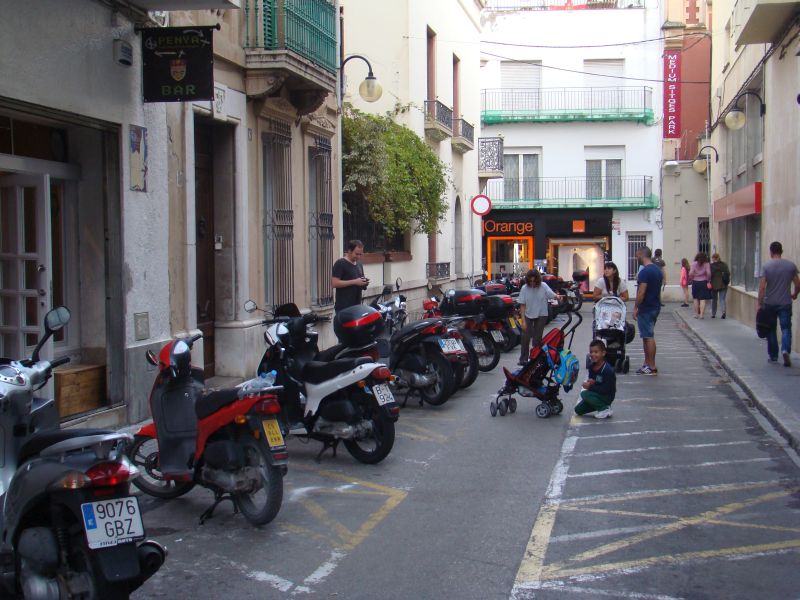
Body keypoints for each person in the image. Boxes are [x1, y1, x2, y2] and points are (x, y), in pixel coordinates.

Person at [758, 241, 800, 367]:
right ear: (781, 251)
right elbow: (798, 284)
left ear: (771, 252)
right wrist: (794, 294)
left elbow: (762, 288)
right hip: (785, 302)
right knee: (786, 328)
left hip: (770, 302)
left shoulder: (766, 266)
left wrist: (759, 303)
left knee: (771, 329)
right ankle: (785, 349)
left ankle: (774, 356)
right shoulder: (790, 266)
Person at [517, 269, 557, 365]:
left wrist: (558, 297)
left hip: (541, 314)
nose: (532, 283)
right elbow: (522, 305)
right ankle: (523, 359)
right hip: (528, 313)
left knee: (537, 338)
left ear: (538, 280)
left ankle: (535, 357)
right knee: (525, 337)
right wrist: (523, 321)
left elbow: (551, 294)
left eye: (534, 281)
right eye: (530, 281)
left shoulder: (543, 286)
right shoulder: (524, 288)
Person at [634, 246, 662, 375]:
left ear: (641, 254)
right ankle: (647, 364)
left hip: (646, 307)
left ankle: (651, 366)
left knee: (648, 337)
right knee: (647, 336)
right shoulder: (657, 270)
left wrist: (636, 307)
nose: (636, 258)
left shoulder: (644, 272)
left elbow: (641, 291)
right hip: (655, 306)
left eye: (637, 255)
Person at [574, 339, 616, 419]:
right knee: (578, 410)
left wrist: (590, 386)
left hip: (607, 396)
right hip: (597, 394)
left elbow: (606, 389)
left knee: (584, 393)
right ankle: (603, 406)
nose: (593, 354)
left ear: (603, 353)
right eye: (591, 352)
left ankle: (604, 409)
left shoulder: (607, 370)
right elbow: (594, 381)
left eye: (596, 352)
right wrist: (591, 382)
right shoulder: (591, 367)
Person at [331, 240, 369, 314]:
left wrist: (364, 282)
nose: (358, 256)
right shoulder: (340, 263)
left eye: (360, 254)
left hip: (357, 307)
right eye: (356, 254)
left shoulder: (359, 264)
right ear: (349, 251)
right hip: (344, 308)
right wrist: (355, 282)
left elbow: (359, 280)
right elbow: (334, 283)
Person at [687, 252, 712, 319]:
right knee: (702, 299)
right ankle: (701, 315)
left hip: (695, 282)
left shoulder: (694, 263)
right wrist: (708, 280)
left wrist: (692, 278)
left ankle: (696, 314)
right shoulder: (706, 264)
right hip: (703, 282)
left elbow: (691, 273)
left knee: (695, 298)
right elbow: (709, 273)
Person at [710, 253, 731, 319]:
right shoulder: (724, 265)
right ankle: (723, 312)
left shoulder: (711, 266)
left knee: (714, 300)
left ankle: (713, 313)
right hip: (723, 284)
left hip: (713, 285)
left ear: (713, 258)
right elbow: (728, 273)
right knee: (722, 299)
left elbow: (709, 275)